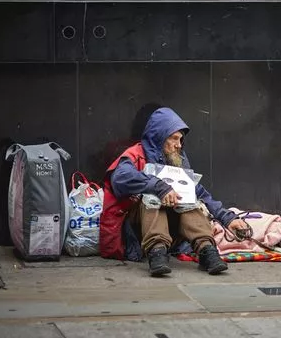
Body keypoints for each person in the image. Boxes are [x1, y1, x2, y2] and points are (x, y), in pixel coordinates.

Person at [100, 107, 248, 276]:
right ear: (159, 137)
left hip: (171, 231)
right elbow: (120, 178)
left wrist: (227, 219)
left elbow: (197, 190)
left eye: (181, 140)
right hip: (137, 230)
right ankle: (157, 253)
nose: (179, 145)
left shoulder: (176, 159)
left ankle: (206, 250)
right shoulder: (135, 154)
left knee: (188, 197)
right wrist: (159, 187)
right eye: (174, 139)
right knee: (153, 197)